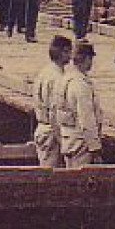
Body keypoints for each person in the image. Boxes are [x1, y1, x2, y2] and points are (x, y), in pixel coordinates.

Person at [59, 40, 104, 168]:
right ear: (87, 59)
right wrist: (95, 148)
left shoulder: (65, 79)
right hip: (81, 142)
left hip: (68, 138)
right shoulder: (81, 84)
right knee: (82, 181)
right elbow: (86, 119)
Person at [31, 35, 74, 168]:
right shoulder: (58, 77)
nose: (71, 56)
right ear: (63, 52)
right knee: (51, 175)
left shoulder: (44, 71)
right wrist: (62, 141)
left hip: (41, 127)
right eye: (69, 51)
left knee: (45, 169)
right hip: (51, 132)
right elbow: (55, 112)